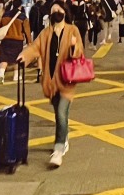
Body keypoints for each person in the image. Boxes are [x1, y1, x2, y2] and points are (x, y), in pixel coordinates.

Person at [18, 9, 85, 167]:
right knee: (59, 114)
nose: (57, 11)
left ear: (65, 12)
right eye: (54, 9)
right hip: (51, 82)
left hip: (67, 81)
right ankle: (64, 136)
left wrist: (74, 46)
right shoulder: (46, 33)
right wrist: (24, 56)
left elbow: (80, 53)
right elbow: (35, 47)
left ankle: (58, 149)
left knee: (61, 112)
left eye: (59, 9)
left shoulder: (72, 30)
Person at [0, 0, 31, 84]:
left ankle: (1, 75)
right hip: (17, 40)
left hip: (5, 40)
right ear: (20, 6)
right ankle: (16, 76)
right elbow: (27, 31)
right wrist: (29, 42)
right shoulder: (23, 17)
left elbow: (0, 27)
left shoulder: (5, 14)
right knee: (16, 58)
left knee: (4, 58)